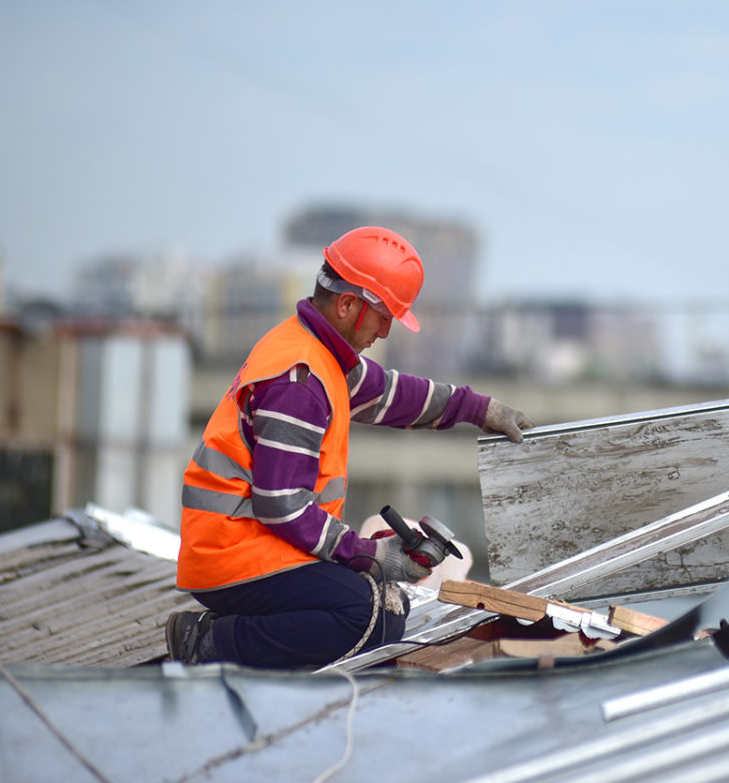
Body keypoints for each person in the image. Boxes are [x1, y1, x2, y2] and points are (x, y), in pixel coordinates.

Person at [165, 225, 535, 668]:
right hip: (235, 557)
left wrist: (478, 408)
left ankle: (234, 638)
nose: (385, 330)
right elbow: (282, 505)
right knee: (369, 616)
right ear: (347, 305)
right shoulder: (299, 381)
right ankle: (209, 644)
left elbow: (393, 394)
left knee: (383, 605)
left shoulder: (318, 352)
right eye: (384, 316)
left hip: (256, 545)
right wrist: (368, 554)